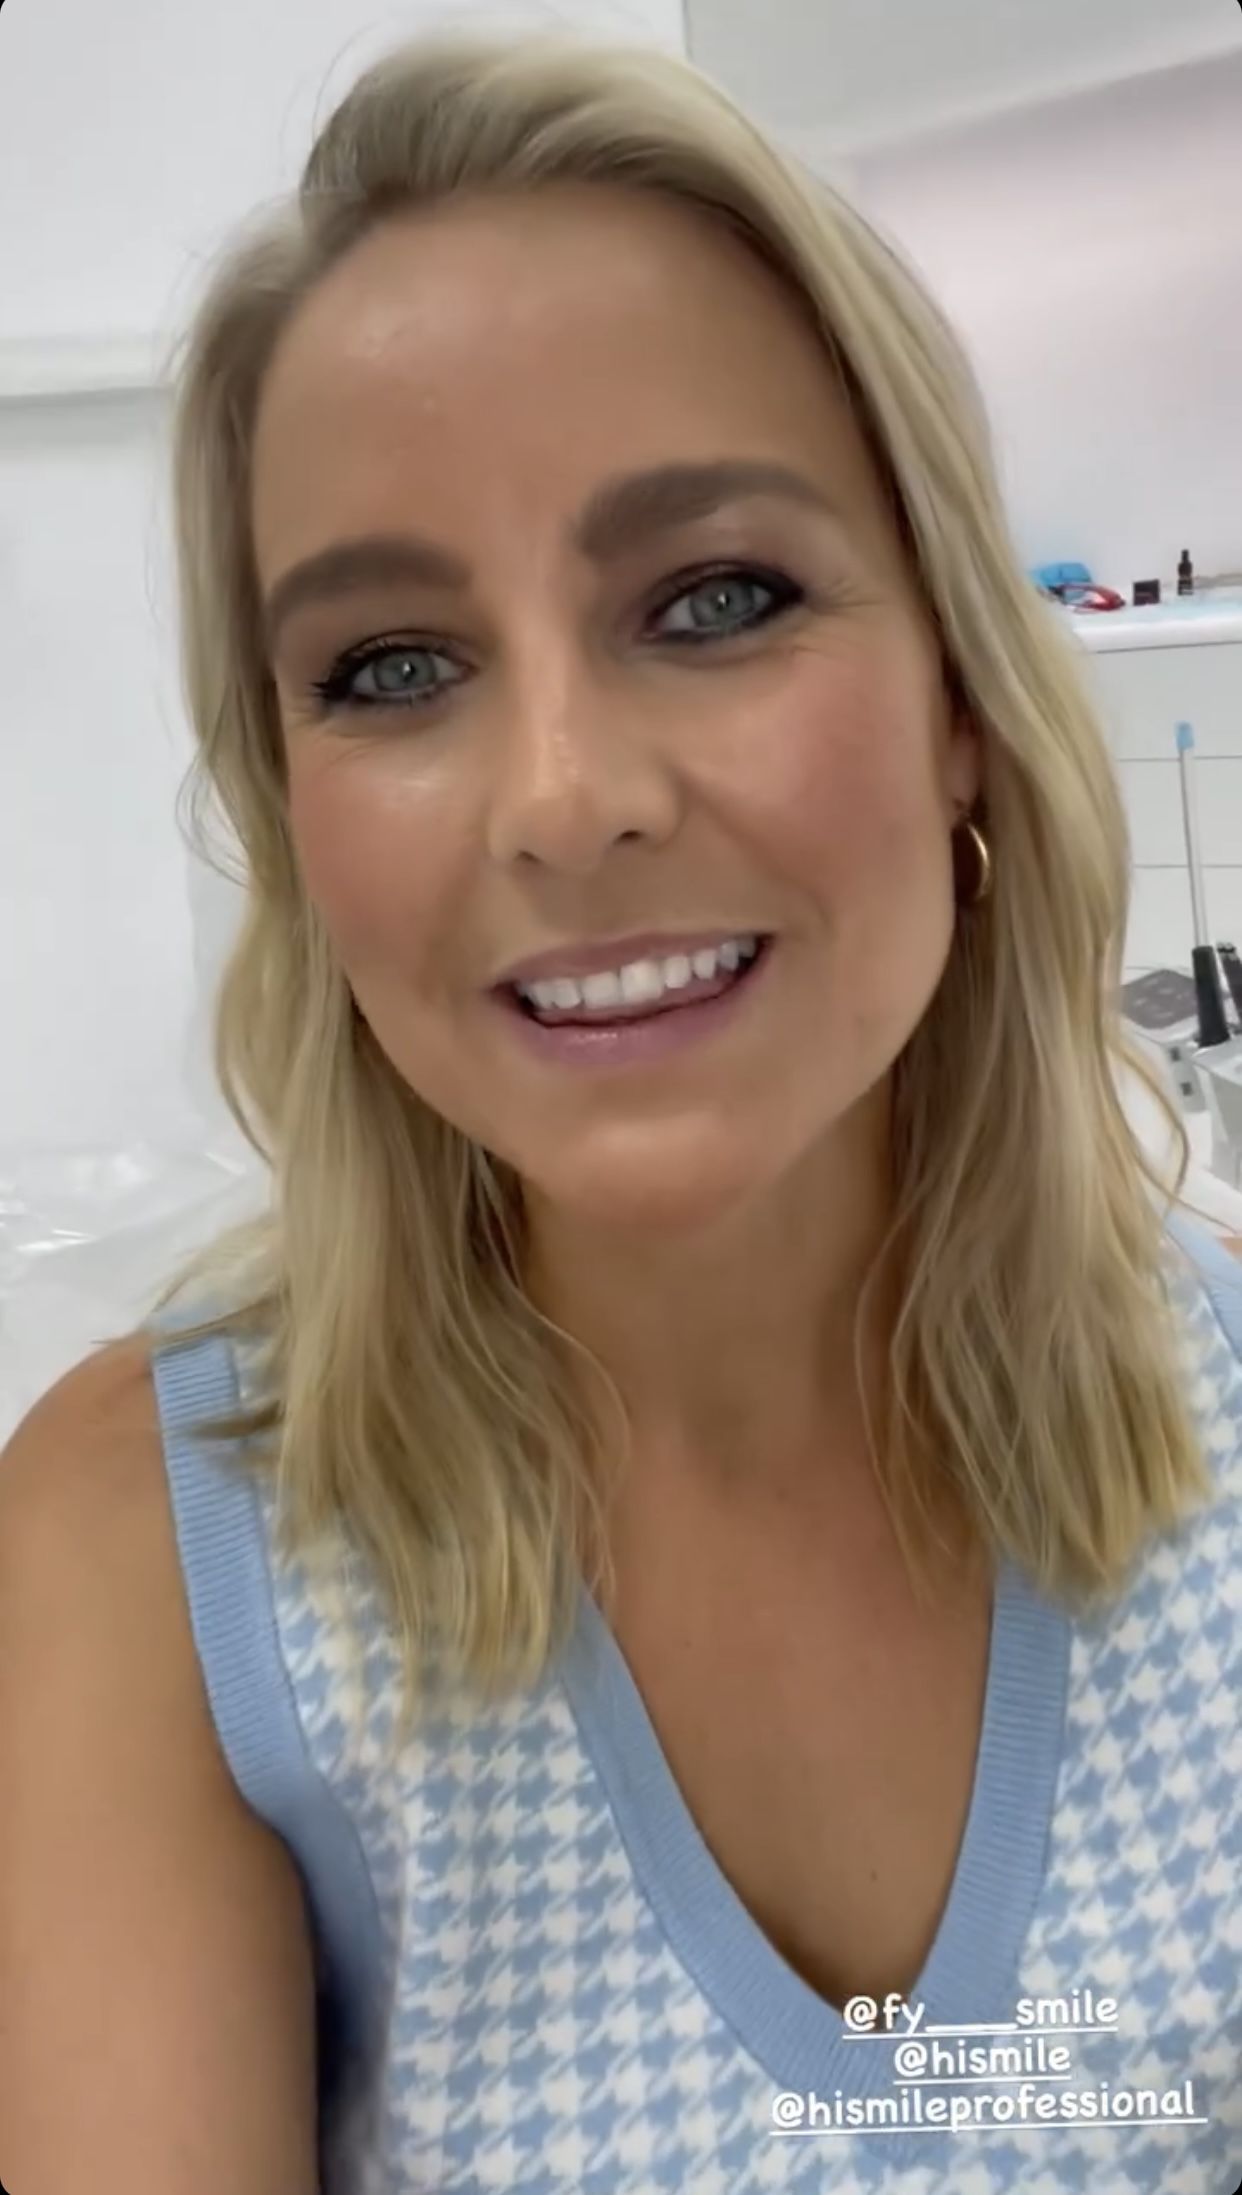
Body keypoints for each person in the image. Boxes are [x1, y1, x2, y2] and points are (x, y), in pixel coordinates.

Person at [0, 27, 1237, 2195]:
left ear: (961, 694)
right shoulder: (144, 1567)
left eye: (715, 600)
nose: (563, 803)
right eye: (391, 666)